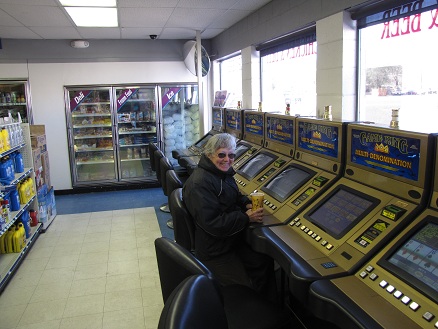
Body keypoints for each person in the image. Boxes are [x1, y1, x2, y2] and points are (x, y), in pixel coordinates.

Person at [182, 133, 277, 301]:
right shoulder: (200, 183)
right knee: (244, 290)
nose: (227, 159)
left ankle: (269, 310)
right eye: (221, 154)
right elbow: (213, 224)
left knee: (263, 263)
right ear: (209, 154)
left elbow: (231, 195)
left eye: (231, 155)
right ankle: (248, 312)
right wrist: (246, 218)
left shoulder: (220, 174)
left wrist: (246, 203)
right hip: (215, 251)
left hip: (229, 241)